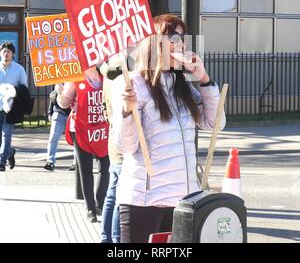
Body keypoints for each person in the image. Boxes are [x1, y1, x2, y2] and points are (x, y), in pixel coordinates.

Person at [110, 14, 226, 243]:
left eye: (183, 38)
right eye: (174, 37)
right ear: (153, 42)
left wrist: (203, 79)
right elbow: (125, 146)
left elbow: (215, 124)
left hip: (182, 199)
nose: (181, 45)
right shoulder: (133, 84)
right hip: (144, 200)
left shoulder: (182, 88)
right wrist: (126, 111)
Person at [56, 67, 110, 222]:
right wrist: (60, 90)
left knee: (106, 167)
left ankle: (100, 200)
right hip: (80, 130)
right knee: (85, 170)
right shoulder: (74, 77)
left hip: (102, 129)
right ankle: (90, 208)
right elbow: (64, 104)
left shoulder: (105, 75)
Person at [99, 59, 123, 243]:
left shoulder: (107, 74)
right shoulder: (118, 74)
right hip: (122, 142)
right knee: (119, 196)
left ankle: (106, 236)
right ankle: (114, 238)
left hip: (115, 140)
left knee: (112, 193)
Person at [0, 41, 28, 172]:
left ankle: (1, 161)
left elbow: (24, 87)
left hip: (10, 107)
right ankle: (10, 152)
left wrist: (14, 90)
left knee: (7, 135)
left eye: (9, 52)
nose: (6, 54)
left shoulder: (19, 69)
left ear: (13, 54)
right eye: (4, 51)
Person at [44, 88, 71, 171]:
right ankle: (50, 161)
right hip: (58, 112)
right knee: (53, 138)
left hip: (72, 112)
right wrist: (50, 111)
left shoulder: (75, 77)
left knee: (76, 140)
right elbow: (53, 95)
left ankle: (76, 162)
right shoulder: (58, 77)